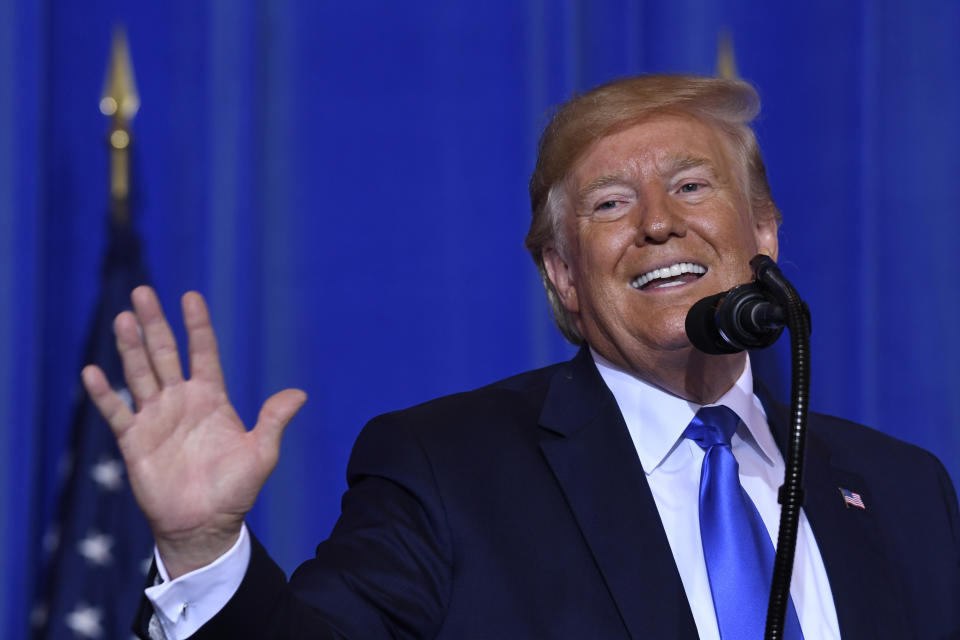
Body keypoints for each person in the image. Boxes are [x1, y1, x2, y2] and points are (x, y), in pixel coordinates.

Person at [83, 75, 960, 639]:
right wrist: (202, 549)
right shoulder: (448, 469)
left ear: (761, 232)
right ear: (563, 275)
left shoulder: (904, 489)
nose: (659, 220)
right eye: (611, 203)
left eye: (693, 185)